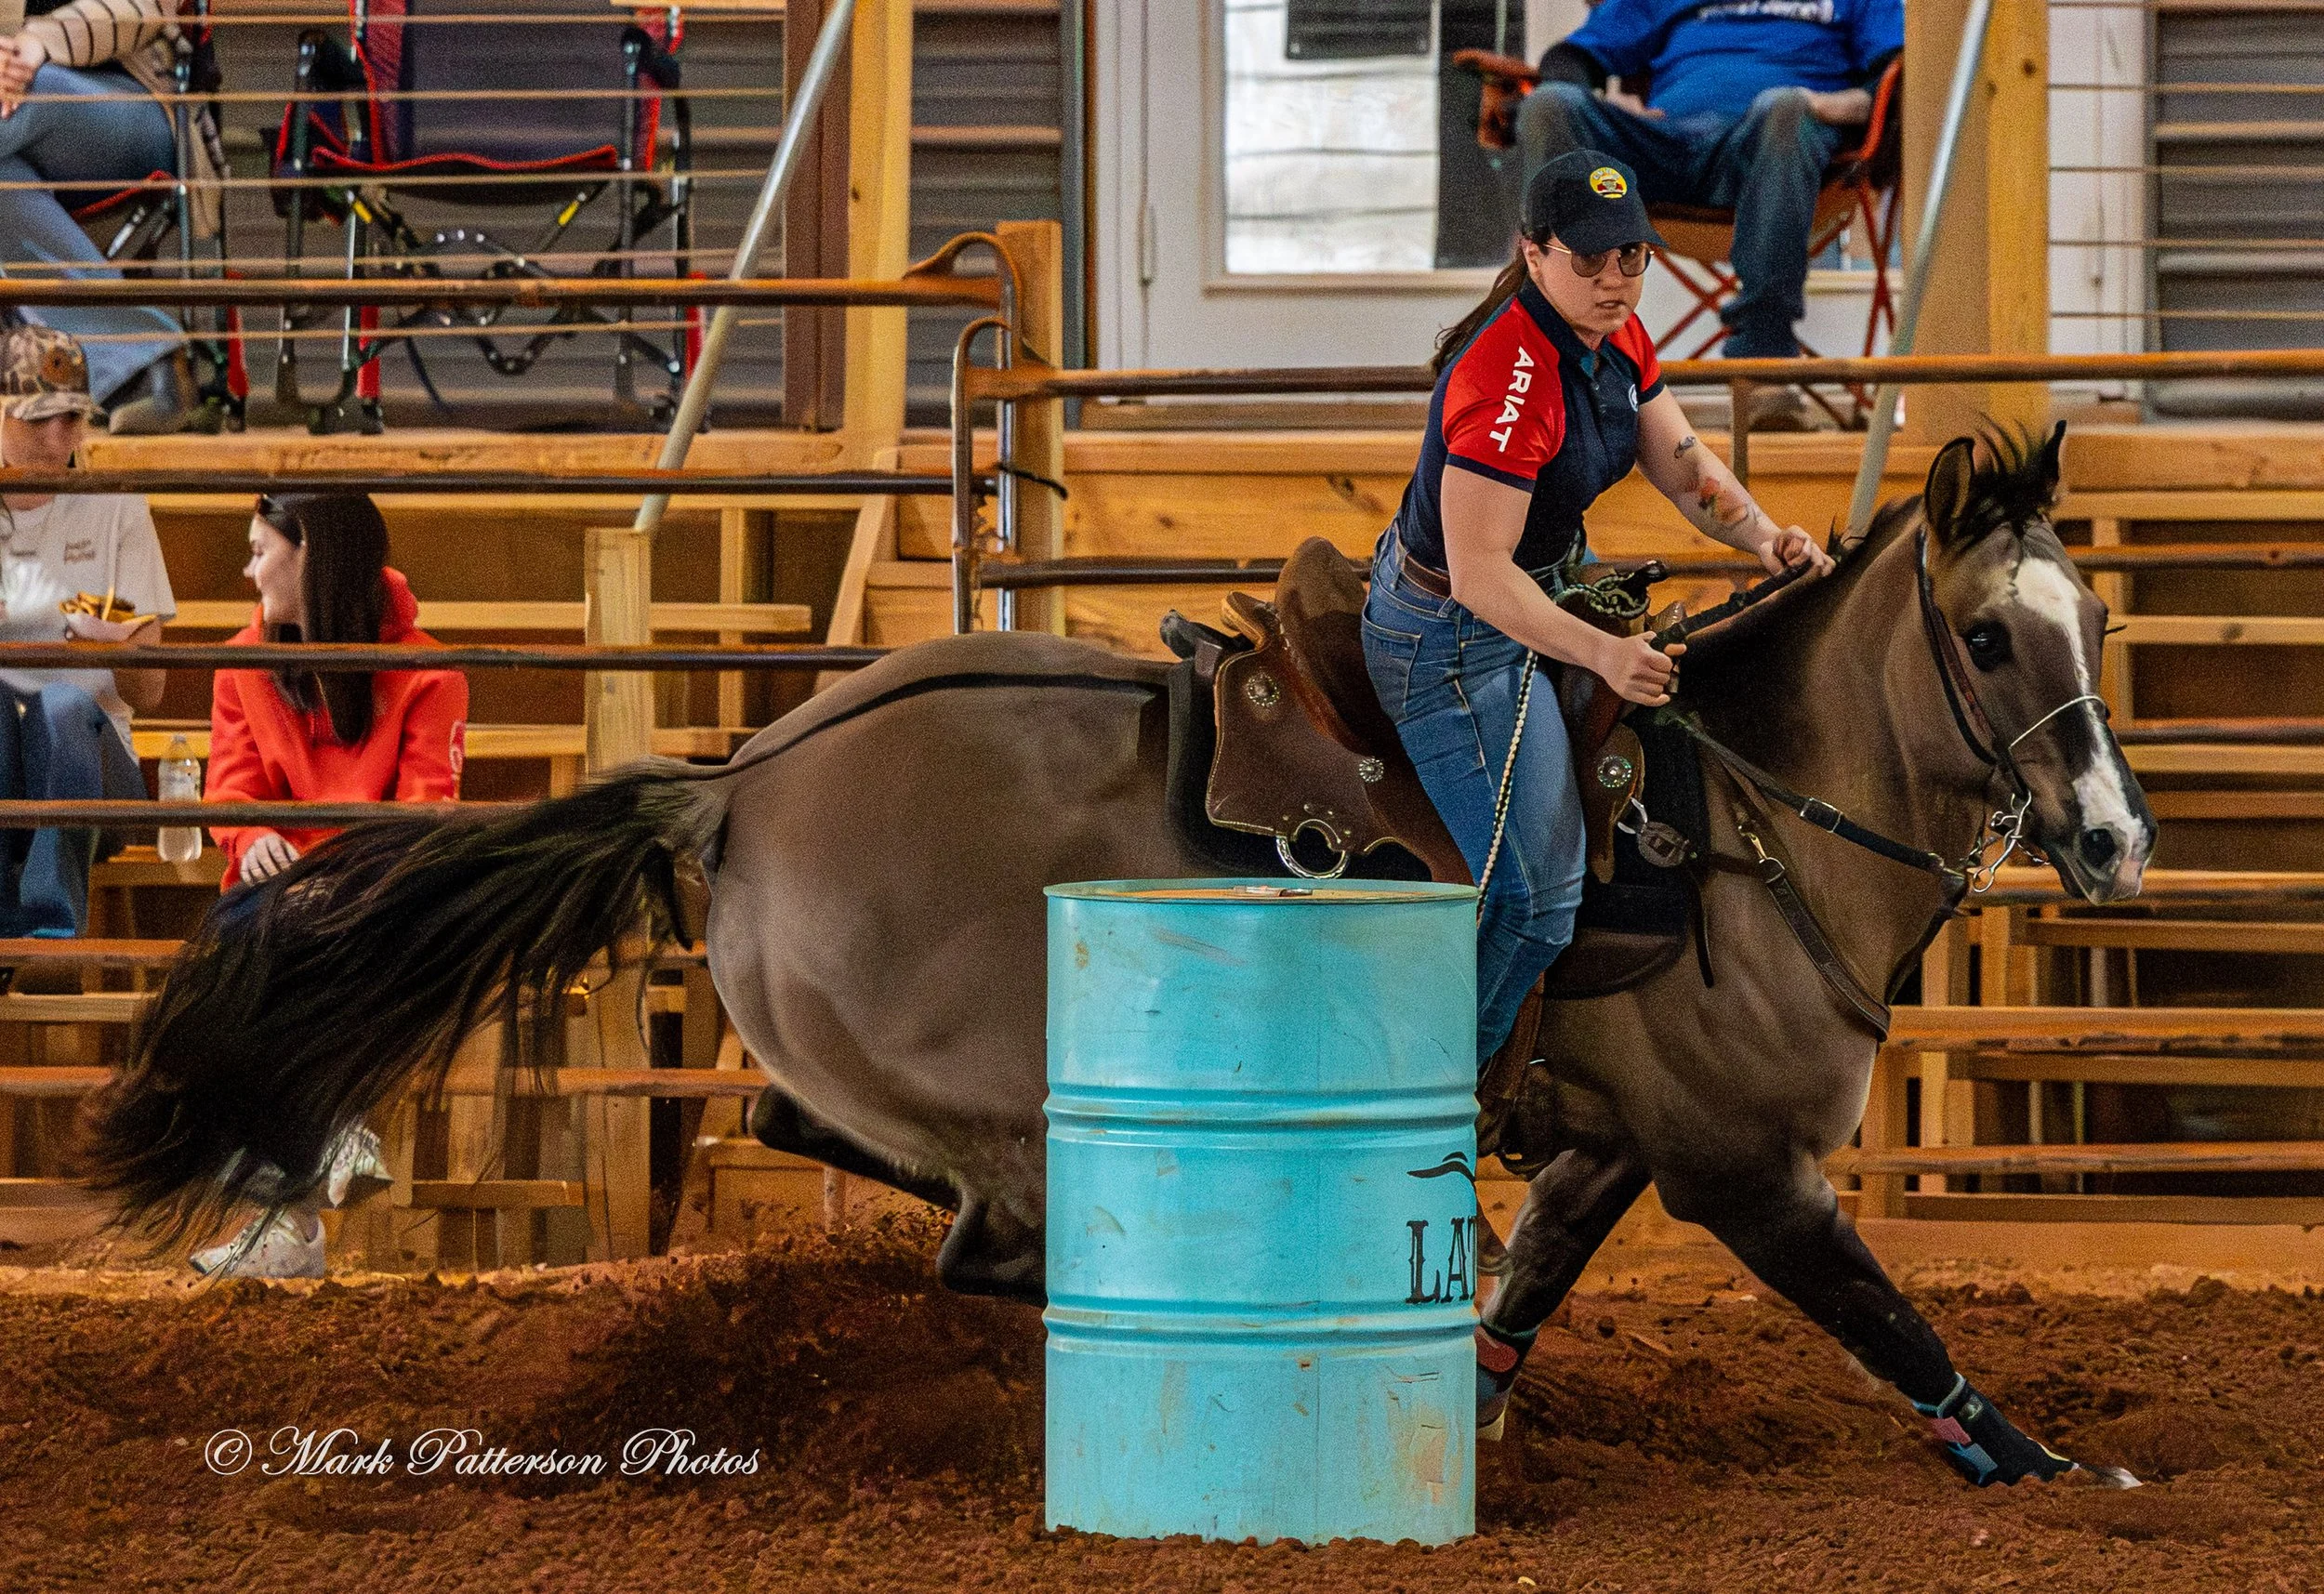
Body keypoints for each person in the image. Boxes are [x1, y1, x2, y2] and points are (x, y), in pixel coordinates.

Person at [1365, 149, 1831, 1090]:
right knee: (1537, 898)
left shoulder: (1616, 336)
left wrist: (1764, 537)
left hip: (1542, 592)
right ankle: (1432, 1090)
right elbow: (1479, 576)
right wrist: (1605, 656)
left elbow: (1684, 467)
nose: (1615, 279)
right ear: (1533, 253)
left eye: (1632, 256)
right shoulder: (1507, 378)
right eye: (1589, 259)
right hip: (1454, 641)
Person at [189, 491, 469, 1278]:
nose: (249, 572)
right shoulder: (244, 658)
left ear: (309, 555)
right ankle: (332, 1146)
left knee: (317, 948)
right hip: (275, 890)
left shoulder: (429, 670)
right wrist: (253, 836)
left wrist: (336, 879)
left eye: (259, 552)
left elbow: (422, 820)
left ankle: (293, 1217)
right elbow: (229, 790)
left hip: (378, 888)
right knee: (245, 950)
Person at [1517, 0, 1902, 421]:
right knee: (1550, 105)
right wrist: (1612, 102)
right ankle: (1551, 356)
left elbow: (1895, 77)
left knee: (1783, 108)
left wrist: (1826, 106)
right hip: (1663, 147)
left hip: (1771, 149)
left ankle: (1764, 362)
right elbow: (1571, 58)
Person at [0, 323, 170, 936]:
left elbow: (150, 692)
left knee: (65, 705)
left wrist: (116, 645)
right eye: (38, 418)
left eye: (72, 417)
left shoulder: (115, 504)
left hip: (95, 761)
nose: (57, 438)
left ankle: (47, 933)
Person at [0, 0, 220, 433]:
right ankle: (149, 363)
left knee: (37, 89)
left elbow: (149, 7)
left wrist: (36, 42)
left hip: (136, 109)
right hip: (15, 122)